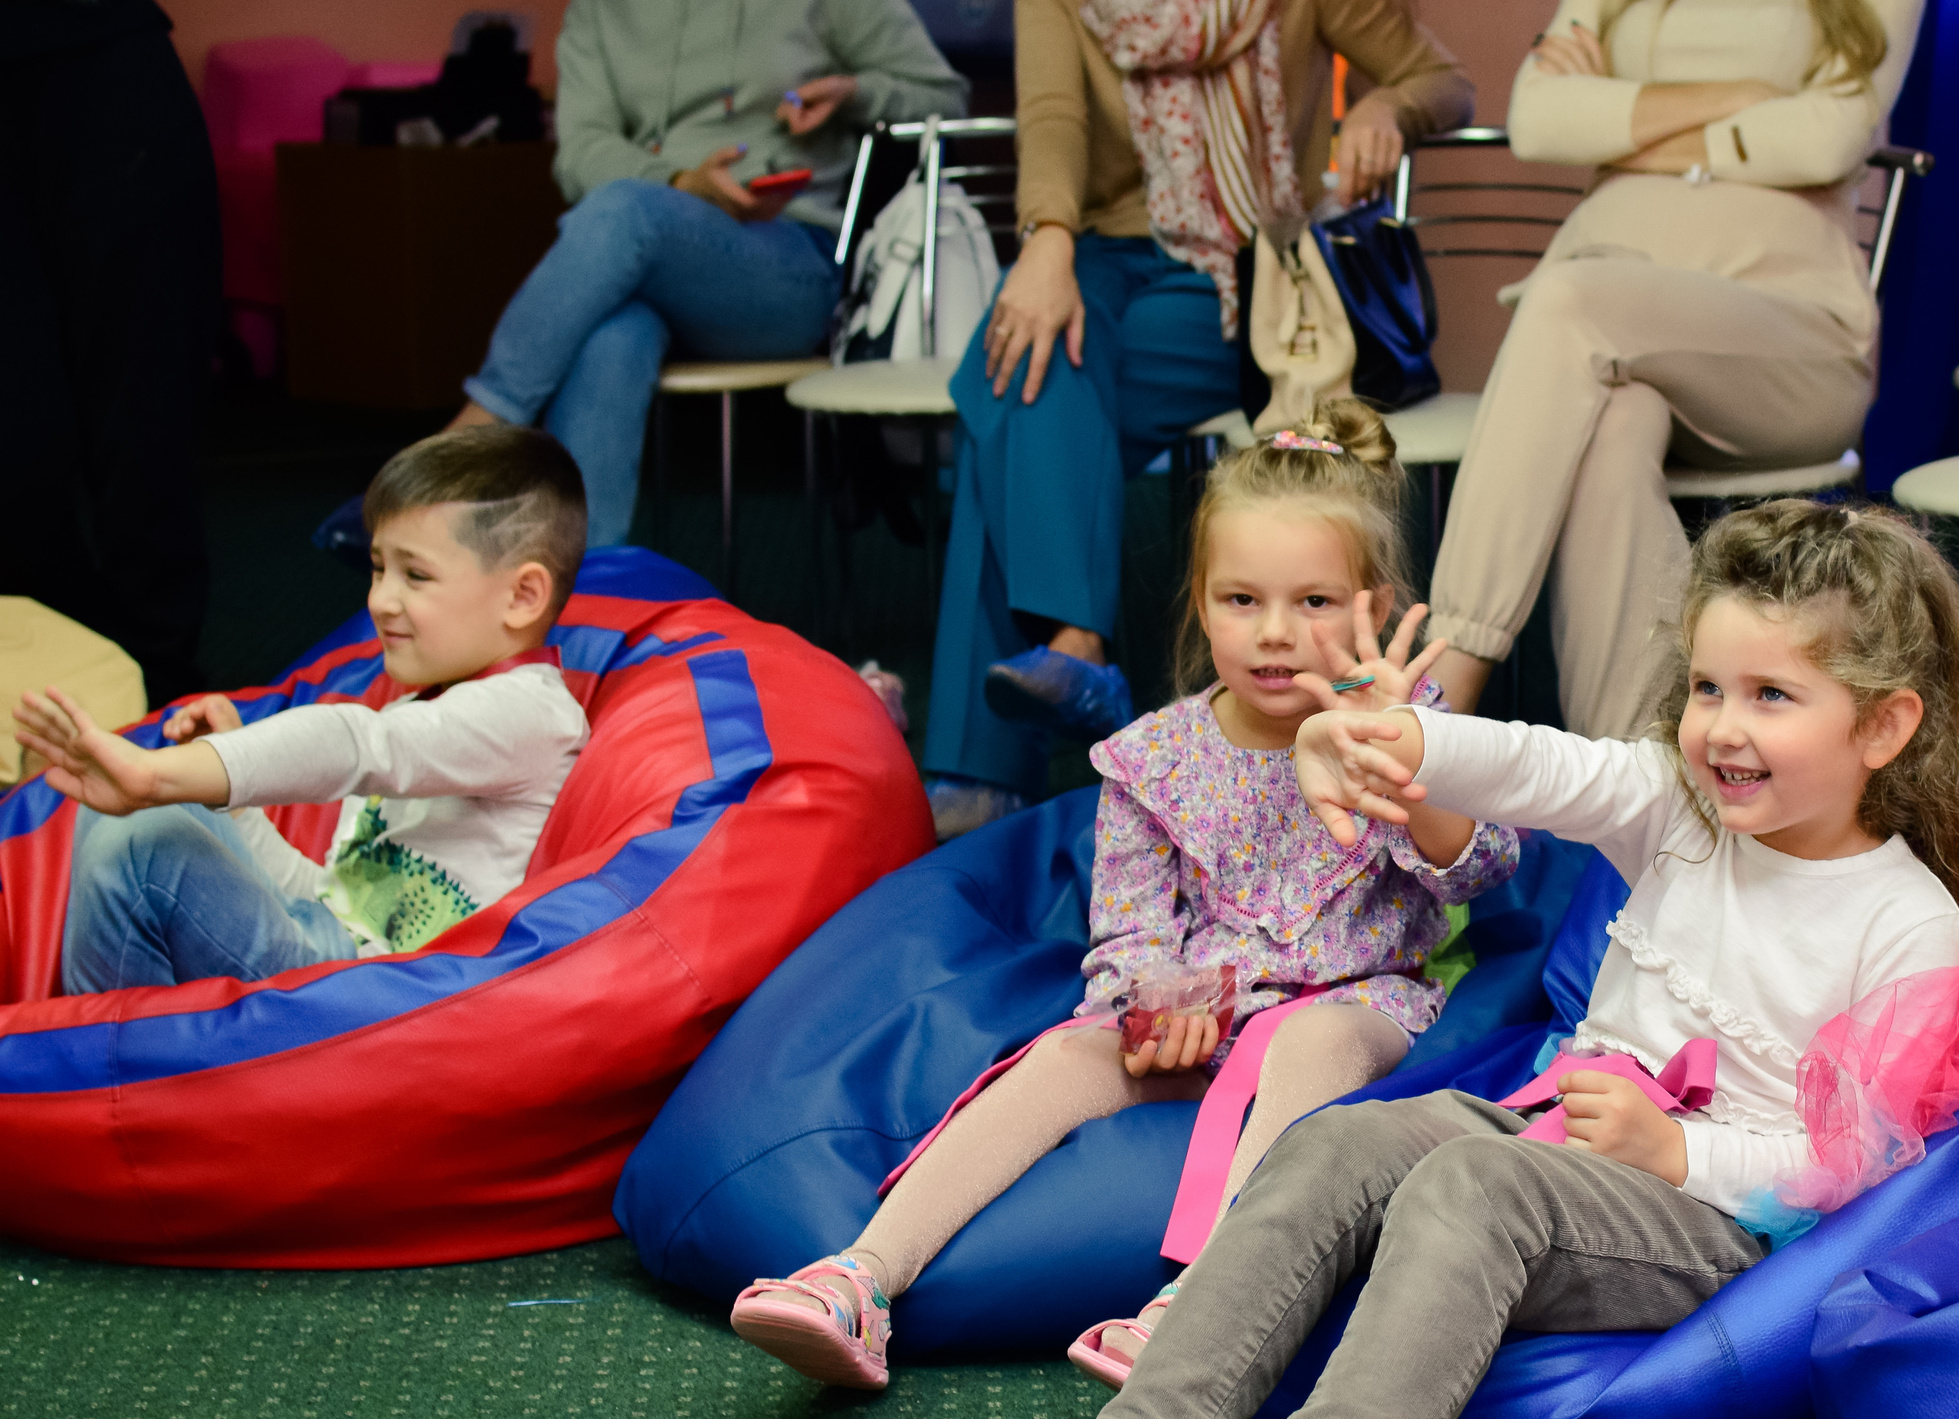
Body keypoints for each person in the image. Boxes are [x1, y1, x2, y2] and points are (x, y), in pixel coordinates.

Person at [931, 501, 1959, 1419]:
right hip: (1559, 1133)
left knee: (1470, 1181)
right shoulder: (1679, 808)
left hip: (1719, 1225)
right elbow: (1543, 764)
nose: (1720, 728)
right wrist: (1400, 741)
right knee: (1339, 1142)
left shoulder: (1902, 922)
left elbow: (1851, 1166)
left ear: (1883, 724)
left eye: (1772, 696)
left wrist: (1676, 1155)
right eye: (1706, 688)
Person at [727, 400, 1521, 1391]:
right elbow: (1130, 932)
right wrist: (1156, 1005)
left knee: (1312, 1044)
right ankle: (859, 1277)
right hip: (1201, 1012)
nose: (1275, 635)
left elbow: (1483, 867)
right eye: (1240, 601)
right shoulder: (1153, 758)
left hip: (1352, 998)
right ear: (1197, 599)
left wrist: (1404, 765)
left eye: (1314, 603)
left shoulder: (1407, 726)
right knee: (1065, 1054)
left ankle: (1209, 1302)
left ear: (1372, 605)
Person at [919, 0, 1473, 840]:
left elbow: (1447, 82)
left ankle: (981, 770)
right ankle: (1075, 650)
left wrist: (1384, 105)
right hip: (1103, 250)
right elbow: (1054, 117)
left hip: (1242, 272)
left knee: (1016, 402)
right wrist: (1046, 239)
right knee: (1021, 347)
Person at [1419, 0, 1922, 740]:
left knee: (1570, 299)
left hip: (1787, 339)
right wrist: (1744, 102)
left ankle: (1439, 694)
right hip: (1617, 350)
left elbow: (1828, 138)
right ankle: (1641, 796)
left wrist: (1624, 127)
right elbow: (1541, 119)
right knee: (1611, 427)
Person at [14, 427, 591, 993]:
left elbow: (355, 743)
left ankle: (92, 1070)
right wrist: (237, 816)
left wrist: (167, 776)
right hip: (328, 956)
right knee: (120, 812)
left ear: (522, 597)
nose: (380, 600)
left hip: (373, 998)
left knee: (144, 837)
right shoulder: (433, 702)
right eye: (377, 567)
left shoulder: (529, 712)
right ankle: (117, 1044)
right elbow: (321, 900)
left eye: (415, 575)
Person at [437, 0, 968, 548]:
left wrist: (856, 93)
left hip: (786, 264)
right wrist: (679, 182)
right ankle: (582, 597)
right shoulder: (597, 11)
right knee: (611, 335)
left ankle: (474, 440)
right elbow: (580, 153)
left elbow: (942, 95)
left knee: (624, 211)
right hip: (644, 259)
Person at [1, 0, 220, 709]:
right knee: (21, 442)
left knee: (146, 406)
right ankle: (58, 695)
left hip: (104, 56)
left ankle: (161, 685)